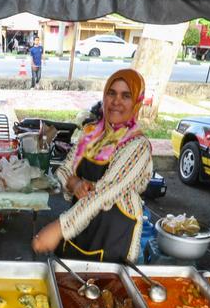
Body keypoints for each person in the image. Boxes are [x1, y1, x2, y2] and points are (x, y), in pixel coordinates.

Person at [32, 69, 153, 263]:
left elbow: (104, 194)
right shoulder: (91, 134)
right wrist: (75, 184)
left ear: (137, 102)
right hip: (80, 229)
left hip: (112, 239)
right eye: (111, 93)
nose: (116, 101)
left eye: (126, 95)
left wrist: (59, 228)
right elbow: (63, 170)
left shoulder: (137, 146)